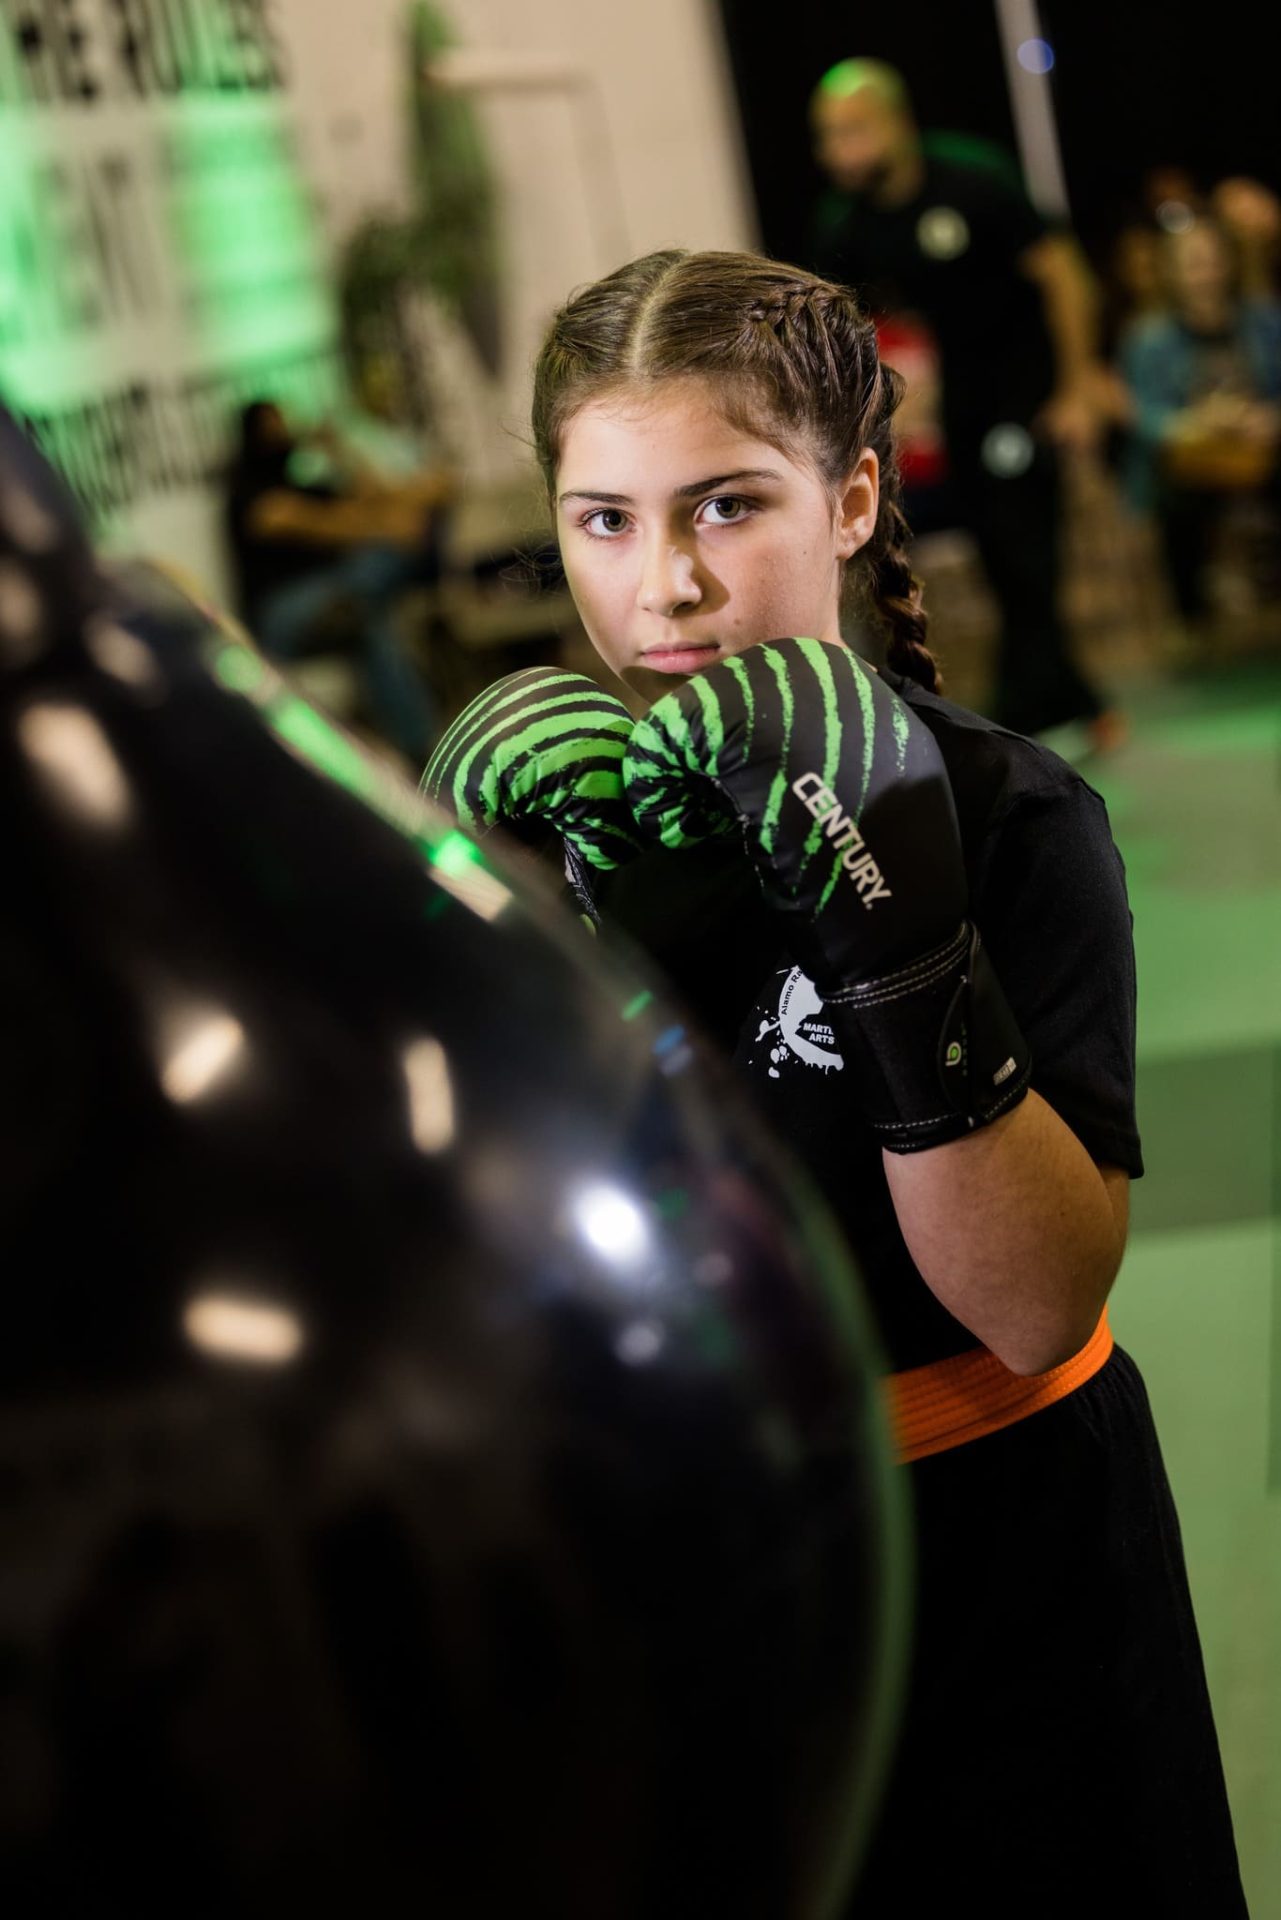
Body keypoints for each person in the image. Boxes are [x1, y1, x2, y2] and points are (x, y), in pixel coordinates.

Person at [429, 247, 1248, 1916]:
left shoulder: (1006, 817)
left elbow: (1028, 1306)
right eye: (605, 519)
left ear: (854, 498)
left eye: (726, 507)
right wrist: (488, 932)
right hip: (684, 1561)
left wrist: (895, 946)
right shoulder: (542, 824)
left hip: (1006, 1562)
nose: (666, 584)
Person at [805, 59, 1126, 750]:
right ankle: (1077, 705)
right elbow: (855, 334)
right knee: (998, 556)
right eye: (827, 136)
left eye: (851, 131)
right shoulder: (847, 225)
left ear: (893, 123)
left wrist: (1075, 386)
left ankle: (1030, 721)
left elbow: (1063, 279)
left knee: (1024, 551)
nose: (838, 150)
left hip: (1025, 396)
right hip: (955, 414)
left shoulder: (975, 181)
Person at [224, 398, 449, 764]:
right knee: (376, 565)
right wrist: (379, 527)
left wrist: (339, 450)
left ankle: (420, 753)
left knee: (370, 629)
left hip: (331, 597)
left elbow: (372, 499)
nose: (283, 434)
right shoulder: (249, 490)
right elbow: (305, 521)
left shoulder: (300, 482)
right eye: (273, 426)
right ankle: (422, 749)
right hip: (280, 614)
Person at [1118, 214, 1281, 631]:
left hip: (1260, 454)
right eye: (1193, 263)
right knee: (1177, 506)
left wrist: (1266, 418)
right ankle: (1194, 619)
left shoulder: (1264, 321)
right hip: (1188, 466)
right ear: (1171, 271)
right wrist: (1197, 424)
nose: (1205, 273)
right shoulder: (1148, 338)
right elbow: (1144, 416)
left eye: (1212, 260)